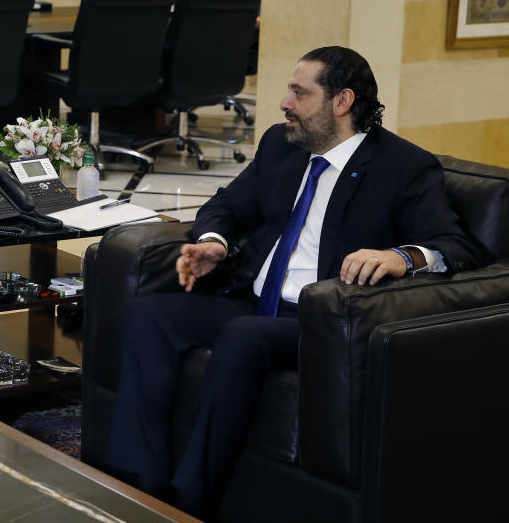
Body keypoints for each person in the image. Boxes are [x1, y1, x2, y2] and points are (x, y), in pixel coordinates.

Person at [104, 46, 486, 517]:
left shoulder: (402, 167)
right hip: (252, 299)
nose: (284, 102)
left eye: (299, 93)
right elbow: (225, 205)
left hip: (319, 321)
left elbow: (457, 246)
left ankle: (190, 499)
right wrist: (214, 242)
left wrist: (399, 257)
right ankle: (135, 482)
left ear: (341, 102)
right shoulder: (280, 145)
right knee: (151, 312)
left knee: (243, 336)